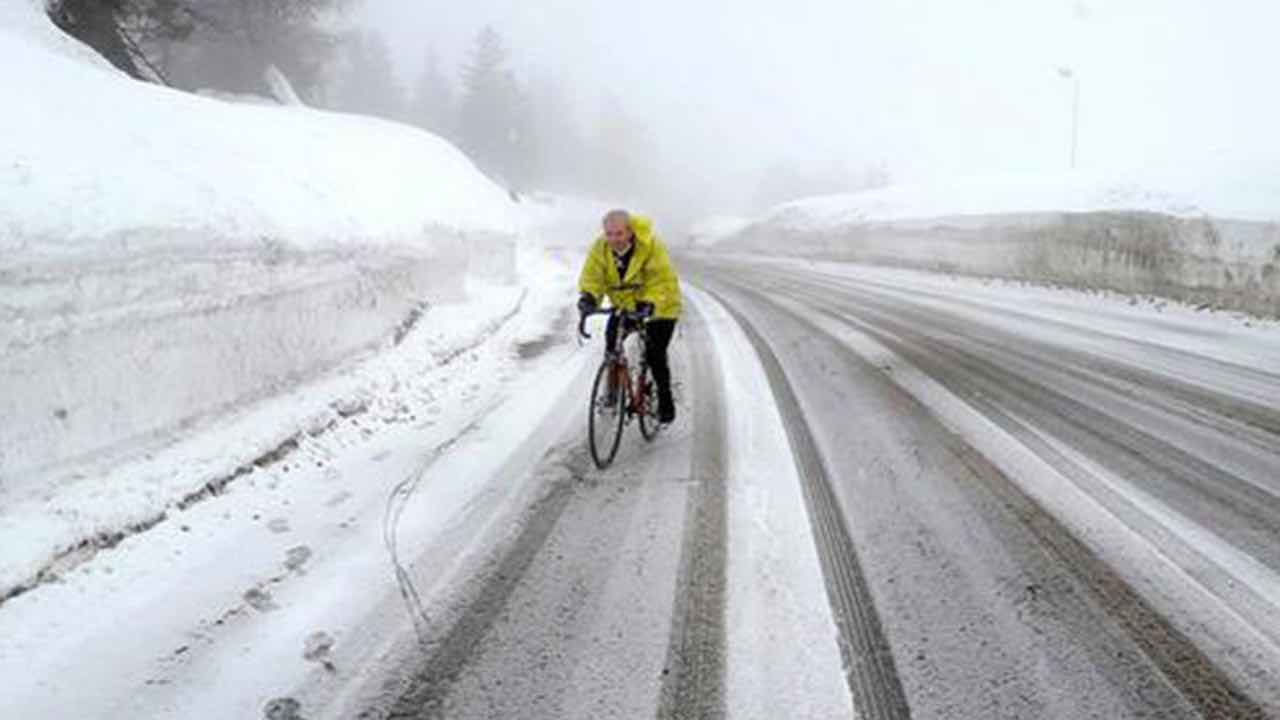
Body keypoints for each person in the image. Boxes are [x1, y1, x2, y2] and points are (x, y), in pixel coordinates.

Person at [577, 209, 683, 423]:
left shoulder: (650, 245)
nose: (613, 239)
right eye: (609, 234)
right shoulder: (600, 249)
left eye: (618, 233)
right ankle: (612, 393)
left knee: (655, 355)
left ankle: (665, 400)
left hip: (660, 307)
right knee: (611, 345)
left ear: (630, 231)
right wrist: (589, 297)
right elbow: (592, 277)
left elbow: (661, 279)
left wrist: (651, 301)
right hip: (625, 307)